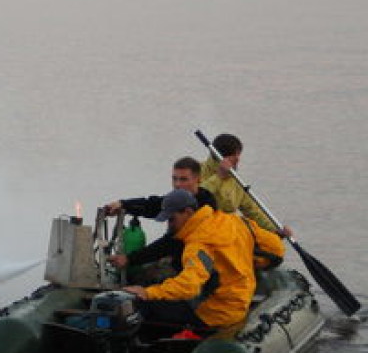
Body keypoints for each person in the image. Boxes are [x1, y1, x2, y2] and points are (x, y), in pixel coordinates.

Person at [123, 188, 285, 331]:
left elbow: (189, 286)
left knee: (142, 306)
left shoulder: (198, 244)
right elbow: (276, 248)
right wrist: (253, 263)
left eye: (172, 219)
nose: (169, 225)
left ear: (188, 212)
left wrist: (147, 292)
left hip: (215, 313)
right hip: (241, 302)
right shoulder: (235, 221)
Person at [102, 156, 217, 275]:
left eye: (183, 179)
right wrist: (123, 205)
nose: (177, 184)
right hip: (178, 257)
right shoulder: (179, 199)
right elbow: (153, 205)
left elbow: (169, 244)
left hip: (196, 267)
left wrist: (130, 259)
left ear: (198, 179)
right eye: (174, 179)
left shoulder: (205, 209)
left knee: (145, 277)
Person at [200, 133, 292, 238]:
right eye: (236, 155)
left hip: (225, 234)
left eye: (239, 155)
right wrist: (219, 177)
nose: (238, 159)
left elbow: (252, 211)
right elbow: (197, 197)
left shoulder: (236, 182)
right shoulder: (196, 170)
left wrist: (275, 230)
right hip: (201, 230)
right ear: (225, 157)